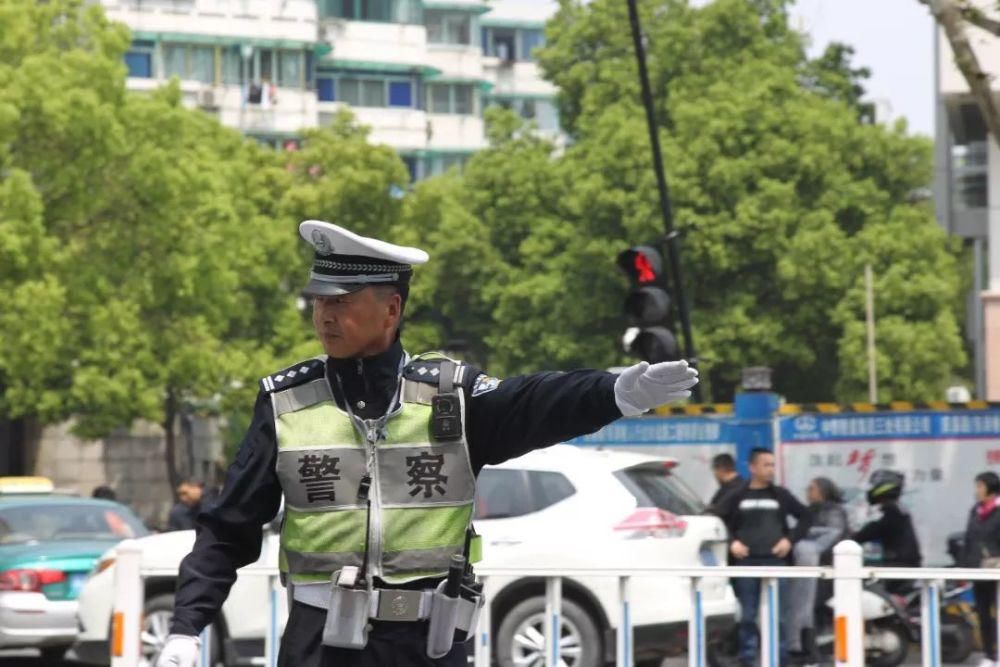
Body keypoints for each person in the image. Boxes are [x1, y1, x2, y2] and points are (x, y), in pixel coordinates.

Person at [154, 220, 699, 667]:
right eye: (319, 301)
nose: (325, 315)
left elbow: (533, 401)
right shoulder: (286, 402)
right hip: (318, 645)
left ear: (390, 310)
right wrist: (186, 626)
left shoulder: (451, 396)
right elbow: (229, 528)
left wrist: (616, 391)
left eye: (342, 301)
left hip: (429, 645)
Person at [719, 447, 806, 667]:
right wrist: (732, 542)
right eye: (766, 465)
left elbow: (806, 516)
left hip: (775, 562)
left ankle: (780, 658)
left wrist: (789, 539)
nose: (770, 469)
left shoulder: (780, 495)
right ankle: (747, 657)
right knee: (747, 614)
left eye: (773, 465)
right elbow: (717, 518)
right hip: (746, 563)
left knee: (779, 616)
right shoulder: (738, 495)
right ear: (752, 467)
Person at [786, 477, 848, 666]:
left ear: (822, 491)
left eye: (811, 488)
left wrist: (803, 547)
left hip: (825, 570)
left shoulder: (833, 512)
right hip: (812, 568)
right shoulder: (812, 511)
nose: (808, 492)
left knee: (807, 608)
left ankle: (811, 653)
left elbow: (826, 539)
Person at [962, 471, 1000, 667]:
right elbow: (969, 539)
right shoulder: (975, 511)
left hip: (997, 571)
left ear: (990, 489)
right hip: (979, 570)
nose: (977, 491)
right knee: (984, 614)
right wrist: (965, 566)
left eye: (980, 486)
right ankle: (989, 655)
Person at [852, 469, 921, 568]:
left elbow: (871, 531)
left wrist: (851, 538)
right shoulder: (896, 508)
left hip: (898, 564)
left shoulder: (891, 510)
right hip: (902, 562)